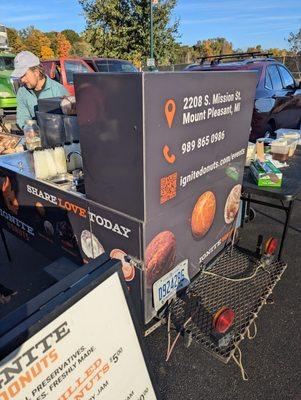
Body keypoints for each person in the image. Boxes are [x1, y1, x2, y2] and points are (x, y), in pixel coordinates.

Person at [12, 51, 69, 129]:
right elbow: (23, 117)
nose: (22, 80)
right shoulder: (22, 92)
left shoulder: (58, 90)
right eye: (20, 76)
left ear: (36, 72)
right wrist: (29, 130)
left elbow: (68, 120)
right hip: (33, 138)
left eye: (24, 75)